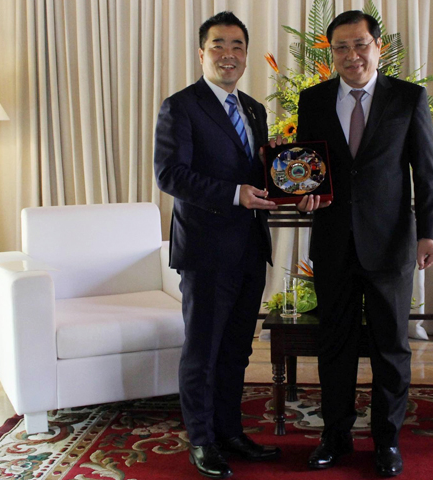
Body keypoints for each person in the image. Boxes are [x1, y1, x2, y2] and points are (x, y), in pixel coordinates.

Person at [295, 10, 433, 477]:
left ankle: (387, 442)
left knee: (390, 349)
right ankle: (334, 436)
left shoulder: (408, 98)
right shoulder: (313, 100)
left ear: (377, 47)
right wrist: (303, 193)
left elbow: (427, 170)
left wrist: (429, 233)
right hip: (334, 243)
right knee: (334, 344)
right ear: (331, 53)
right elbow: (305, 168)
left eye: (359, 45)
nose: (351, 55)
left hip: (392, 244)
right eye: (341, 47)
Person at [154, 11, 280, 479]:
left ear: (246, 54)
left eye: (237, 46)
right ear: (201, 52)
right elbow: (170, 175)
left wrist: (297, 187)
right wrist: (233, 195)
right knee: (203, 351)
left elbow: (260, 176)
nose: (229, 55)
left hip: (250, 247)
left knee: (236, 351)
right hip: (207, 250)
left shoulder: (254, 109)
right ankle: (202, 440)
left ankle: (230, 431)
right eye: (219, 45)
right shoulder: (180, 106)